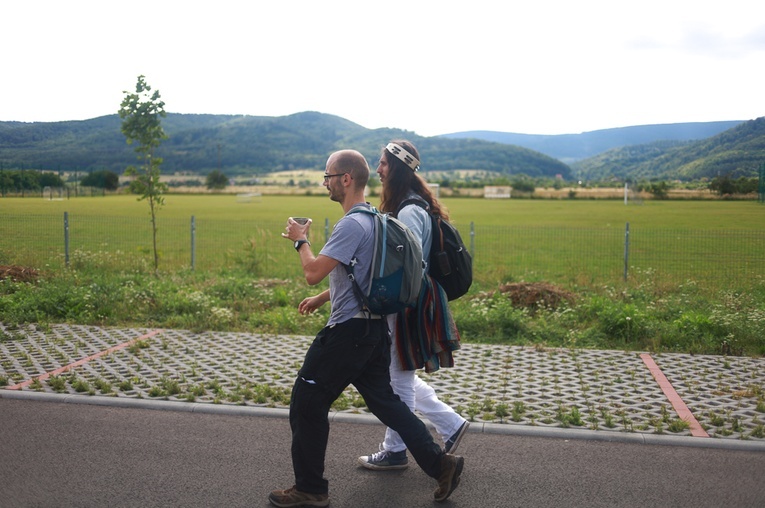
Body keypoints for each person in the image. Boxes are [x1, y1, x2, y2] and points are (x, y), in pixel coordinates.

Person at [270, 149, 464, 508]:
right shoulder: (376, 219)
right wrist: (324, 299)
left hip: (347, 334)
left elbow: (312, 273)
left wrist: (301, 240)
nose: (324, 182)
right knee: (389, 405)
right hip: (376, 332)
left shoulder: (350, 224)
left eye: (328, 176)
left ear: (345, 179)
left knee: (307, 402)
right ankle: (441, 464)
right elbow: (359, 274)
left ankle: (310, 488)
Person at [358, 140, 469, 471]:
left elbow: (409, 267)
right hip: (413, 299)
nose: (378, 169)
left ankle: (394, 451)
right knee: (398, 372)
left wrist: (385, 299)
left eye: (383, 164)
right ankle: (450, 424)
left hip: (409, 301)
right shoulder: (412, 203)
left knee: (398, 378)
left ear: (397, 168)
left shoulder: (409, 209)